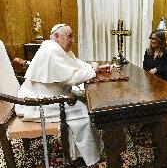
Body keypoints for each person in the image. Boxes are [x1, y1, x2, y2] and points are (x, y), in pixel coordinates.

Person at [15, 24, 106, 167]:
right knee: (83, 111)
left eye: (72, 36)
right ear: (57, 37)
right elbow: (72, 79)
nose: (73, 40)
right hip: (36, 103)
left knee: (83, 99)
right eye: (69, 36)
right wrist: (93, 69)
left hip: (49, 96)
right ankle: (88, 157)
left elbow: (76, 65)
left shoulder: (59, 48)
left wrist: (93, 67)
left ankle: (77, 151)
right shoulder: (52, 50)